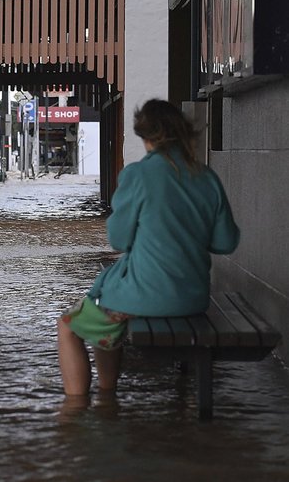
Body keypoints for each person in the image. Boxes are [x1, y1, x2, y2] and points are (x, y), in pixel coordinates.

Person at [57, 99, 240, 397]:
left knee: (68, 326)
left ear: (146, 137)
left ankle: (82, 408)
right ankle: (106, 396)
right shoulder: (207, 177)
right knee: (105, 318)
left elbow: (118, 240)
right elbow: (225, 242)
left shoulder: (137, 175)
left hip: (145, 297)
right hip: (193, 298)